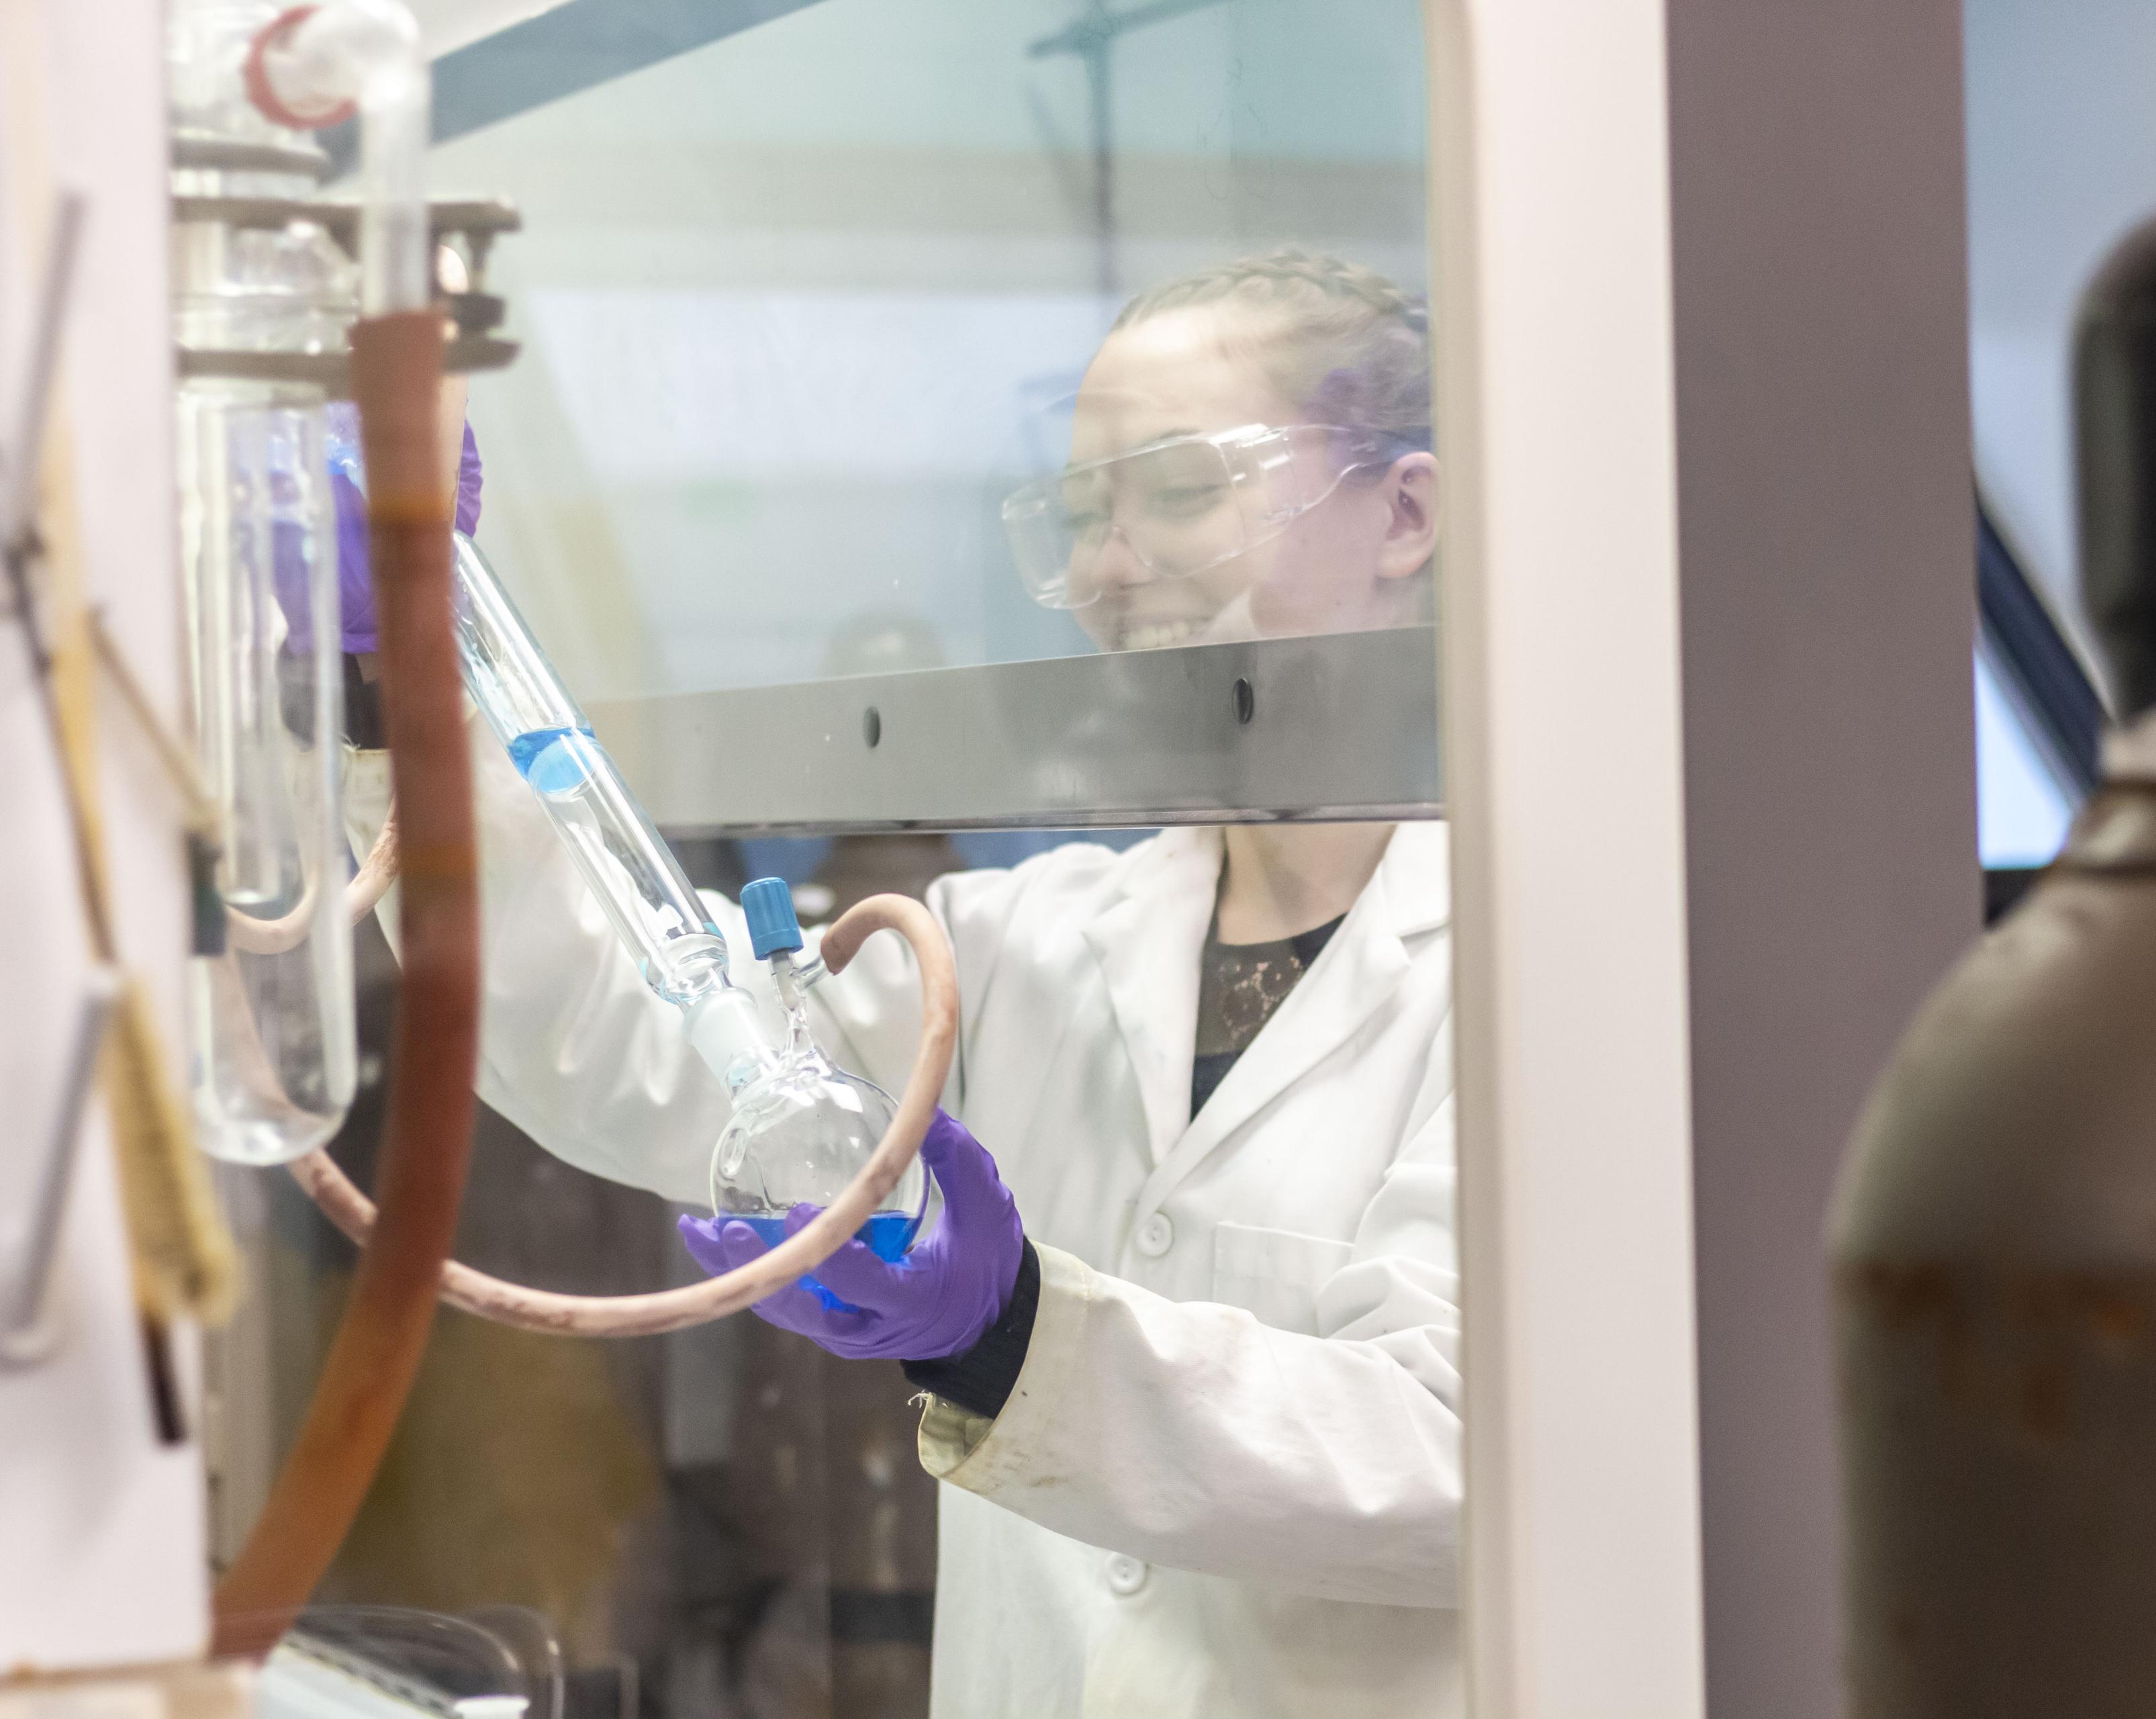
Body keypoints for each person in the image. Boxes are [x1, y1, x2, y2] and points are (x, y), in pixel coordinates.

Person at [424, 249, 1458, 1718]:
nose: (1110, 568)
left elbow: (1460, 1451)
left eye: (1176, 492)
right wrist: (394, 675)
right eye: (1086, 514)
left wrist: (1017, 1336)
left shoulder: (1530, 969)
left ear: (1403, 513)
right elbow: (616, 1031)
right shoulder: (1025, 944)